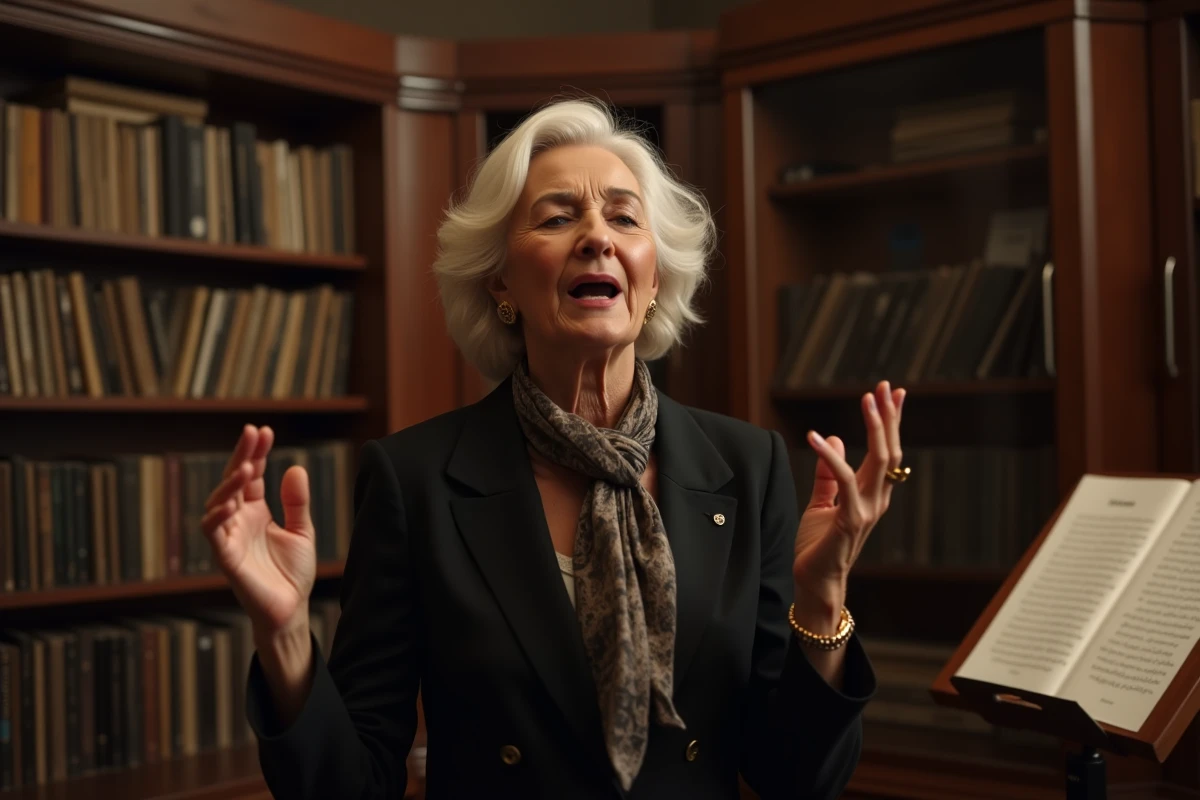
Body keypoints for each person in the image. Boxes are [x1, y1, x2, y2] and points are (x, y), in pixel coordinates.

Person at [202, 99, 908, 800]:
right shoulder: (413, 480)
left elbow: (796, 779)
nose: (598, 237)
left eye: (624, 218)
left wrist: (822, 604)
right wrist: (286, 635)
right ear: (500, 280)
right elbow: (353, 784)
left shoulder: (747, 469)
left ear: (653, 276)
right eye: (558, 216)